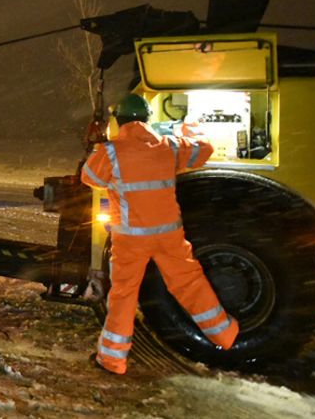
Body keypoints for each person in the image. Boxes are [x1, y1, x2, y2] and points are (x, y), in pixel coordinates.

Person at [81, 93, 238, 375]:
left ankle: (113, 360)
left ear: (120, 121)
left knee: (124, 294)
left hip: (131, 238)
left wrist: (99, 145)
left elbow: (89, 178)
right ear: (147, 119)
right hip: (169, 234)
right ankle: (225, 335)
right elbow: (204, 150)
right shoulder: (169, 146)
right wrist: (189, 131)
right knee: (189, 282)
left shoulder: (112, 152)